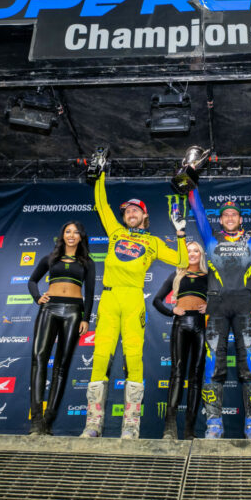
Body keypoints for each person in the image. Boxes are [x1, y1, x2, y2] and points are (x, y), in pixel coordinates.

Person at [82, 169, 187, 439]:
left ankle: (131, 427)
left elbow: (183, 262)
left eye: (134, 210)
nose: (129, 213)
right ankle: (92, 425)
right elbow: (101, 204)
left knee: (134, 360)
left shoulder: (152, 242)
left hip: (132, 299)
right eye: (127, 210)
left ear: (144, 215)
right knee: (100, 358)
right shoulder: (115, 231)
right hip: (108, 298)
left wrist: (181, 233)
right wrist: (101, 173)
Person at [188, 161, 251, 439]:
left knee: (250, 365)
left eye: (234, 214)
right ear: (220, 219)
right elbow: (197, 208)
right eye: (225, 214)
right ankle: (214, 424)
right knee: (213, 364)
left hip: (244, 306)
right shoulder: (210, 238)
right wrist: (191, 176)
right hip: (215, 306)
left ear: (241, 219)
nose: (230, 217)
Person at [27, 221, 96, 436]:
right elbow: (32, 281)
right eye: (68, 231)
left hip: (74, 313)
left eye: (76, 232)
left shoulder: (87, 262)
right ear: (62, 235)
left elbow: (91, 292)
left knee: (62, 366)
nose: (72, 235)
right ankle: (36, 419)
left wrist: (86, 319)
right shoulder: (50, 258)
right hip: (50, 309)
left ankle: (49, 421)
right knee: (39, 358)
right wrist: (38, 297)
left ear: (81, 237)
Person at [152, 241, 208, 440]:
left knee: (196, 377)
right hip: (180, 325)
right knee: (177, 372)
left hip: (202, 326)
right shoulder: (176, 275)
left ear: (201, 254)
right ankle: (169, 428)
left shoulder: (209, 277)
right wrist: (171, 311)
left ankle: (189, 430)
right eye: (188, 251)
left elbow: (223, 299)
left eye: (195, 251)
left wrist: (211, 307)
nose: (192, 254)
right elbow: (156, 300)